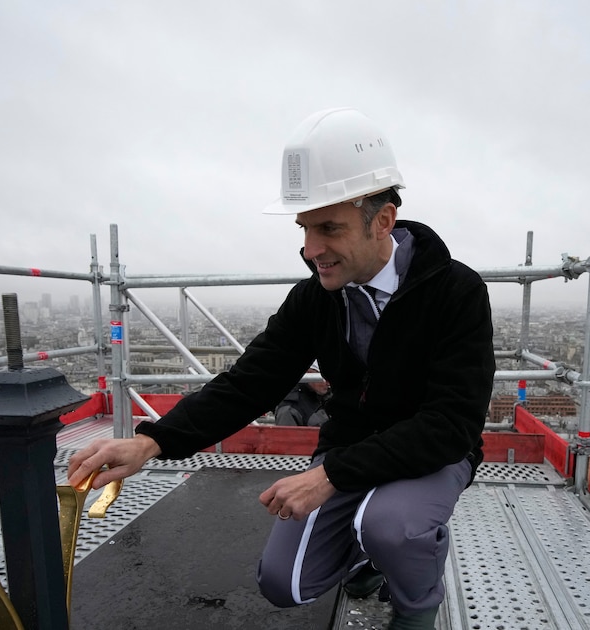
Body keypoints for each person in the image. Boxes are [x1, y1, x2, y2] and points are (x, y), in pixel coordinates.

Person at [68, 107, 494, 630]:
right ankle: (370, 558)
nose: (311, 250)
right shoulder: (315, 299)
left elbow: (451, 425)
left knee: (391, 525)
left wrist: (331, 477)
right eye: (305, 228)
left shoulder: (456, 292)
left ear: (382, 220)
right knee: (284, 584)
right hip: (351, 447)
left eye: (329, 229)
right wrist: (152, 441)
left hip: (433, 455)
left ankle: (417, 600)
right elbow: (251, 382)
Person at [273, 361, 331, 427]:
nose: (328, 383)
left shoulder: (328, 396)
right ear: (308, 373)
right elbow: (287, 435)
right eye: (323, 378)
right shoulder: (290, 409)